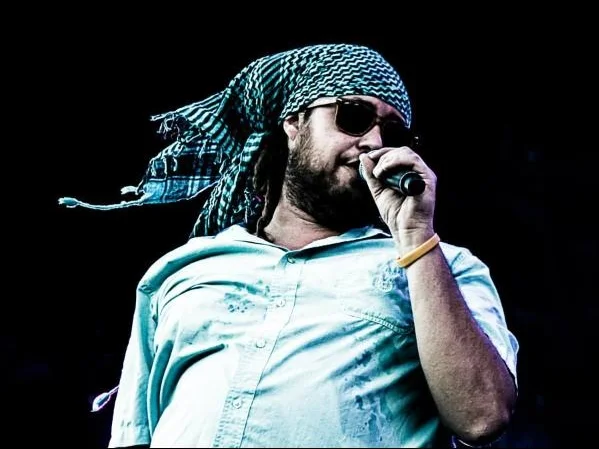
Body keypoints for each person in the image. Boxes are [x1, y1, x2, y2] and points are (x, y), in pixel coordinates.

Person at [60, 43, 519, 447]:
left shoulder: (443, 268)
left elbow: (482, 417)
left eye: (394, 134)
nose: (374, 142)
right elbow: (135, 433)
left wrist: (416, 237)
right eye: (353, 117)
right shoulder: (182, 272)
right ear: (295, 123)